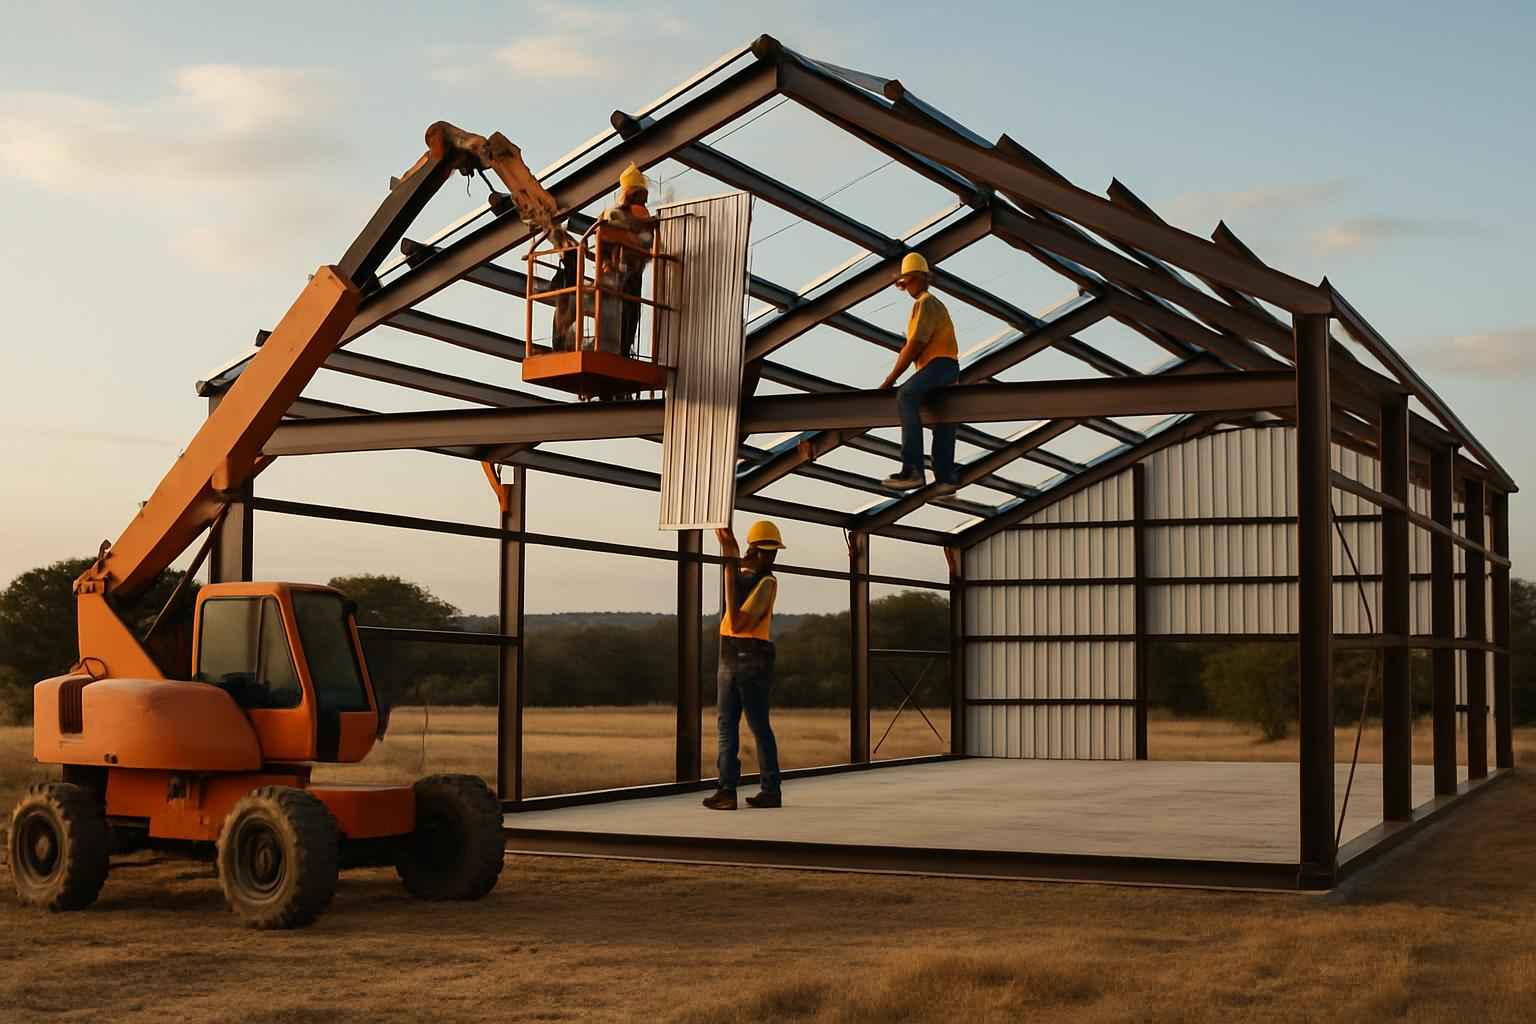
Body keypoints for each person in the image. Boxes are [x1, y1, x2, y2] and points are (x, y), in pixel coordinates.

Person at [703, 520, 785, 811]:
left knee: (756, 727)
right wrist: (730, 558)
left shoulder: (767, 583)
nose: (770, 557)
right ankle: (728, 791)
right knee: (729, 727)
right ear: (753, 550)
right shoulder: (745, 576)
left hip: (751, 659)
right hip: (731, 656)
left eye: (772, 552)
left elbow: (737, 622)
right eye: (766, 550)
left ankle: (767, 790)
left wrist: (730, 565)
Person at [878, 252, 961, 495]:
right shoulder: (931, 304)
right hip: (945, 368)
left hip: (940, 365)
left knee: (906, 396)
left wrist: (889, 380)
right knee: (943, 417)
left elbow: (914, 345)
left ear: (920, 279)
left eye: (910, 281)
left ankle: (913, 469)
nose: (908, 287)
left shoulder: (925, 303)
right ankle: (945, 478)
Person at [598, 162, 656, 359]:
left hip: (615, 271)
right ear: (636, 193)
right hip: (628, 270)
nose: (646, 200)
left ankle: (615, 348)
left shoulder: (611, 213)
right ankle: (622, 349)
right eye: (643, 195)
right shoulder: (636, 211)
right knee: (629, 312)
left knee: (617, 311)